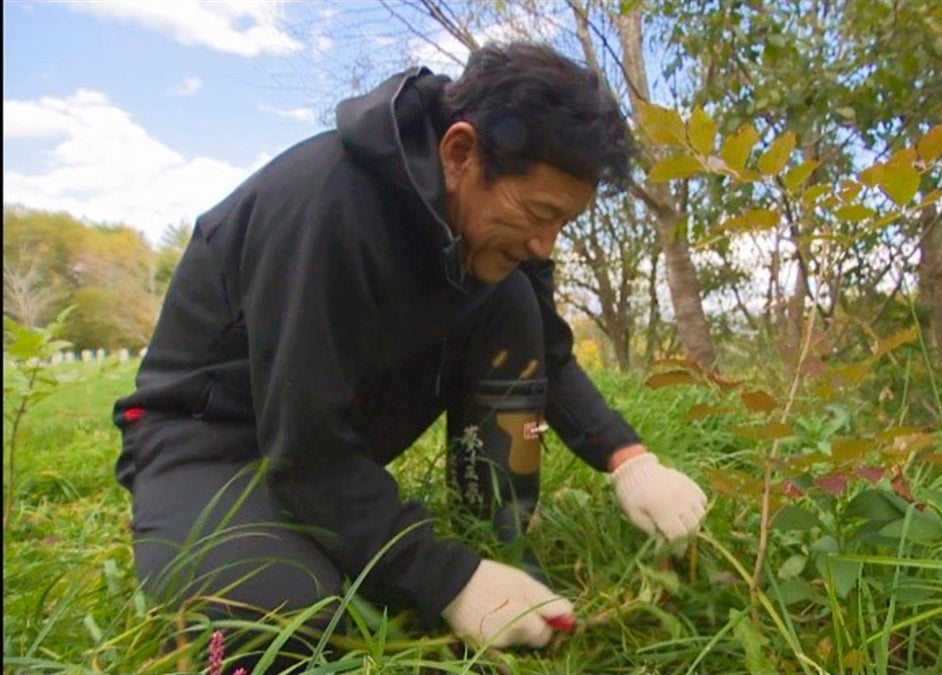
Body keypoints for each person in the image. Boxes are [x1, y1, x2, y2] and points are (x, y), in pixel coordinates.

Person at [112, 41, 708, 664]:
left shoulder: (500, 237)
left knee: (510, 297)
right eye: (539, 214)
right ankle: (205, 531)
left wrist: (631, 461)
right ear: (459, 152)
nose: (544, 244)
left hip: (330, 433)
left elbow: (547, 355)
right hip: (218, 439)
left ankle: (499, 530)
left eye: (563, 223)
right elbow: (307, 448)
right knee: (277, 623)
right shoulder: (327, 204)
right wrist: (449, 581)